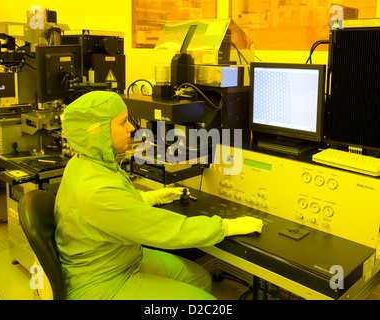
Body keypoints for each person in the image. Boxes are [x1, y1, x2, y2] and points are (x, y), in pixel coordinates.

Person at [54, 91, 263, 300]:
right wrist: (225, 226)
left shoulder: (87, 162)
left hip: (121, 256)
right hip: (101, 282)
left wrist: (151, 197)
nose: (132, 128)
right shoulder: (97, 191)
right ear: (97, 132)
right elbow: (168, 230)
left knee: (199, 278)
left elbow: (115, 209)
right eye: (123, 122)